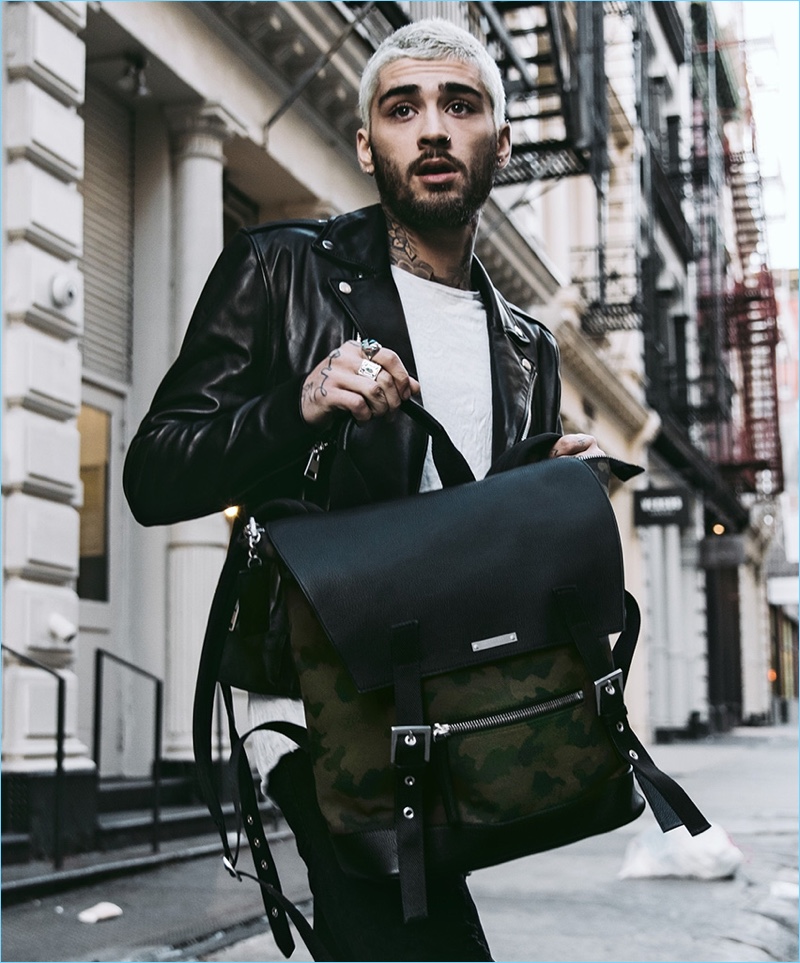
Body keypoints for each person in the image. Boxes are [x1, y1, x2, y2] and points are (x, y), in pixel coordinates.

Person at [124, 18, 602, 962]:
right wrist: (297, 405)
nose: (432, 129)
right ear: (366, 143)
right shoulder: (280, 267)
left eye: (460, 106)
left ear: (501, 144)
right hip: (311, 705)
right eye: (403, 107)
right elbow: (153, 473)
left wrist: (542, 494)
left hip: (445, 711)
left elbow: (473, 542)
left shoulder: (527, 347)